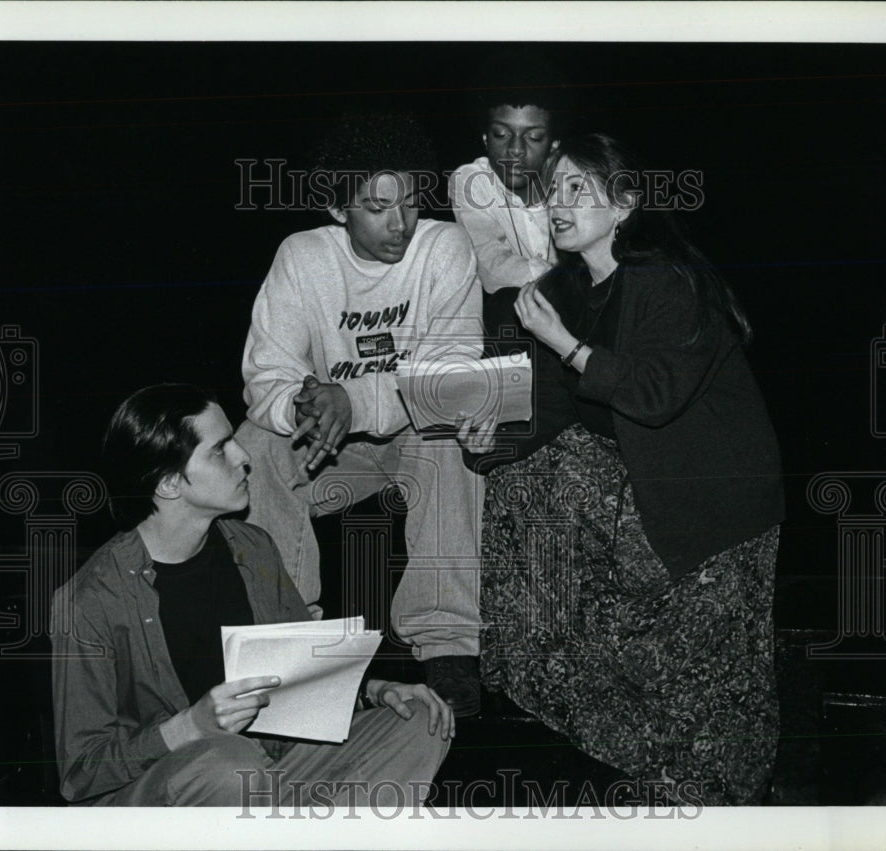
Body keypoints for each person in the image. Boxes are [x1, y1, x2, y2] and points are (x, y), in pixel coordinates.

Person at [458, 134, 785, 805]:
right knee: (520, 475)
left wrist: (565, 343)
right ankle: (545, 683)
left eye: (580, 186)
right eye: (554, 189)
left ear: (626, 203)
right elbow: (545, 410)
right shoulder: (557, 290)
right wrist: (486, 437)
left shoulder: (665, 278)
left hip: (712, 504)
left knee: (712, 698)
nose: (558, 201)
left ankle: (725, 793)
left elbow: (654, 395)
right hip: (636, 491)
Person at [49, 384, 453, 806]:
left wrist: (376, 691)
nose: (244, 457)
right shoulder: (89, 602)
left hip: (269, 771)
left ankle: (292, 830)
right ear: (169, 483)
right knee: (229, 762)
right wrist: (190, 726)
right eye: (220, 449)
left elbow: (301, 684)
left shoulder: (253, 547)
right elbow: (80, 773)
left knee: (422, 717)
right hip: (173, 790)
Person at [234, 113, 485, 717]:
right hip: (338, 449)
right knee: (258, 446)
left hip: (411, 440)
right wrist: (301, 404)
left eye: (408, 203)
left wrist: (356, 400)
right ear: (340, 209)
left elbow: (451, 376)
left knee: (448, 435)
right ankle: (291, 643)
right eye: (376, 207)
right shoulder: (301, 257)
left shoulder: (444, 249)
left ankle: (447, 645)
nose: (399, 223)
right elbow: (266, 371)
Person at [448, 72, 570, 293]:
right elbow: (493, 269)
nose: (516, 149)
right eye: (501, 134)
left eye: (533, 137)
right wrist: (565, 281)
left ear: (553, 145)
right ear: (485, 139)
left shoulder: (572, 181)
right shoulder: (472, 181)